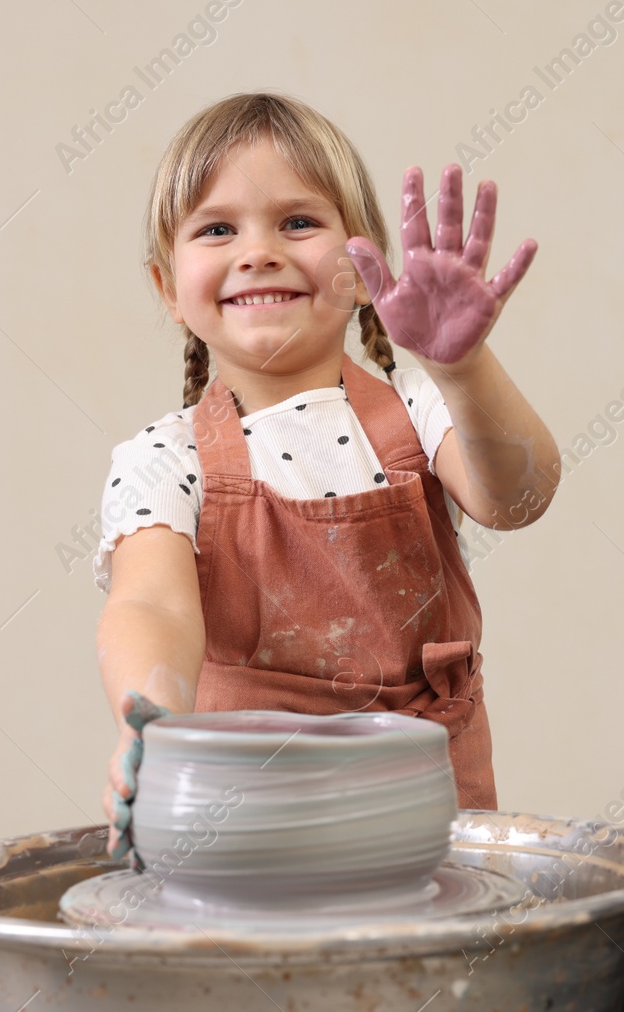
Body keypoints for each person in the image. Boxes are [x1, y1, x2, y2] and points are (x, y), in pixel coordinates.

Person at [91, 92, 557, 862]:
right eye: (217, 229)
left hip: (434, 837)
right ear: (167, 287)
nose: (260, 250)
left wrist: (463, 366)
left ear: (365, 267)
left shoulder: (420, 406)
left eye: (298, 222)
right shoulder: (167, 459)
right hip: (251, 837)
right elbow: (148, 601)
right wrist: (154, 718)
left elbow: (520, 497)